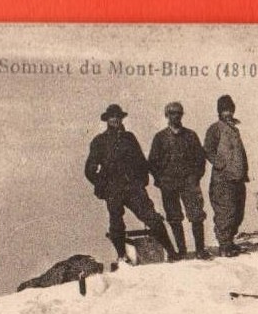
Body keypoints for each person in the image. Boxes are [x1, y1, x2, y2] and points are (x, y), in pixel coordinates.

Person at [84, 103, 178, 263]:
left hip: (133, 187)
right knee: (116, 223)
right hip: (113, 189)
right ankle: (122, 256)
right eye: (112, 117)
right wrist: (103, 185)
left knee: (152, 217)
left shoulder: (129, 138)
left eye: (118, 117)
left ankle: (171, 251)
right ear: (107, 120)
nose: (115, 120)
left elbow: (141, 160)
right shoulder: (99, 141)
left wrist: (141, 180)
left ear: (121, 119)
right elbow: (89, 169)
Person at [149, 102, 210, 260]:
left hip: (189, 183)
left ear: (182, 115)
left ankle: (200, 250)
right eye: (172, 113)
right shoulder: (160, 138)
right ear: (166, 115)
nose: (175, 116)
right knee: (174, 218)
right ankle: (181, 251)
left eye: (178, 113)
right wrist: (161, 181)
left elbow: (200, 159)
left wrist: (195, 177)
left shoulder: (190, 135)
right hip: (169, 184)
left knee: (196, 215)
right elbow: (152, 162)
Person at [203, 95, 249, 258]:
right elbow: (207, 149)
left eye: (230, 110)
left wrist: (244, 171)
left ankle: (229, 242)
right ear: (219, 112)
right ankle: (224, 246)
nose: (228, 113)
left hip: (237, 178)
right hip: (223, 180)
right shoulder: (216, 128)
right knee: (225, 212)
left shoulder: (234, 129)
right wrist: (220, 164)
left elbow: (239, 153)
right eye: (224, 110)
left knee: (238, 212)